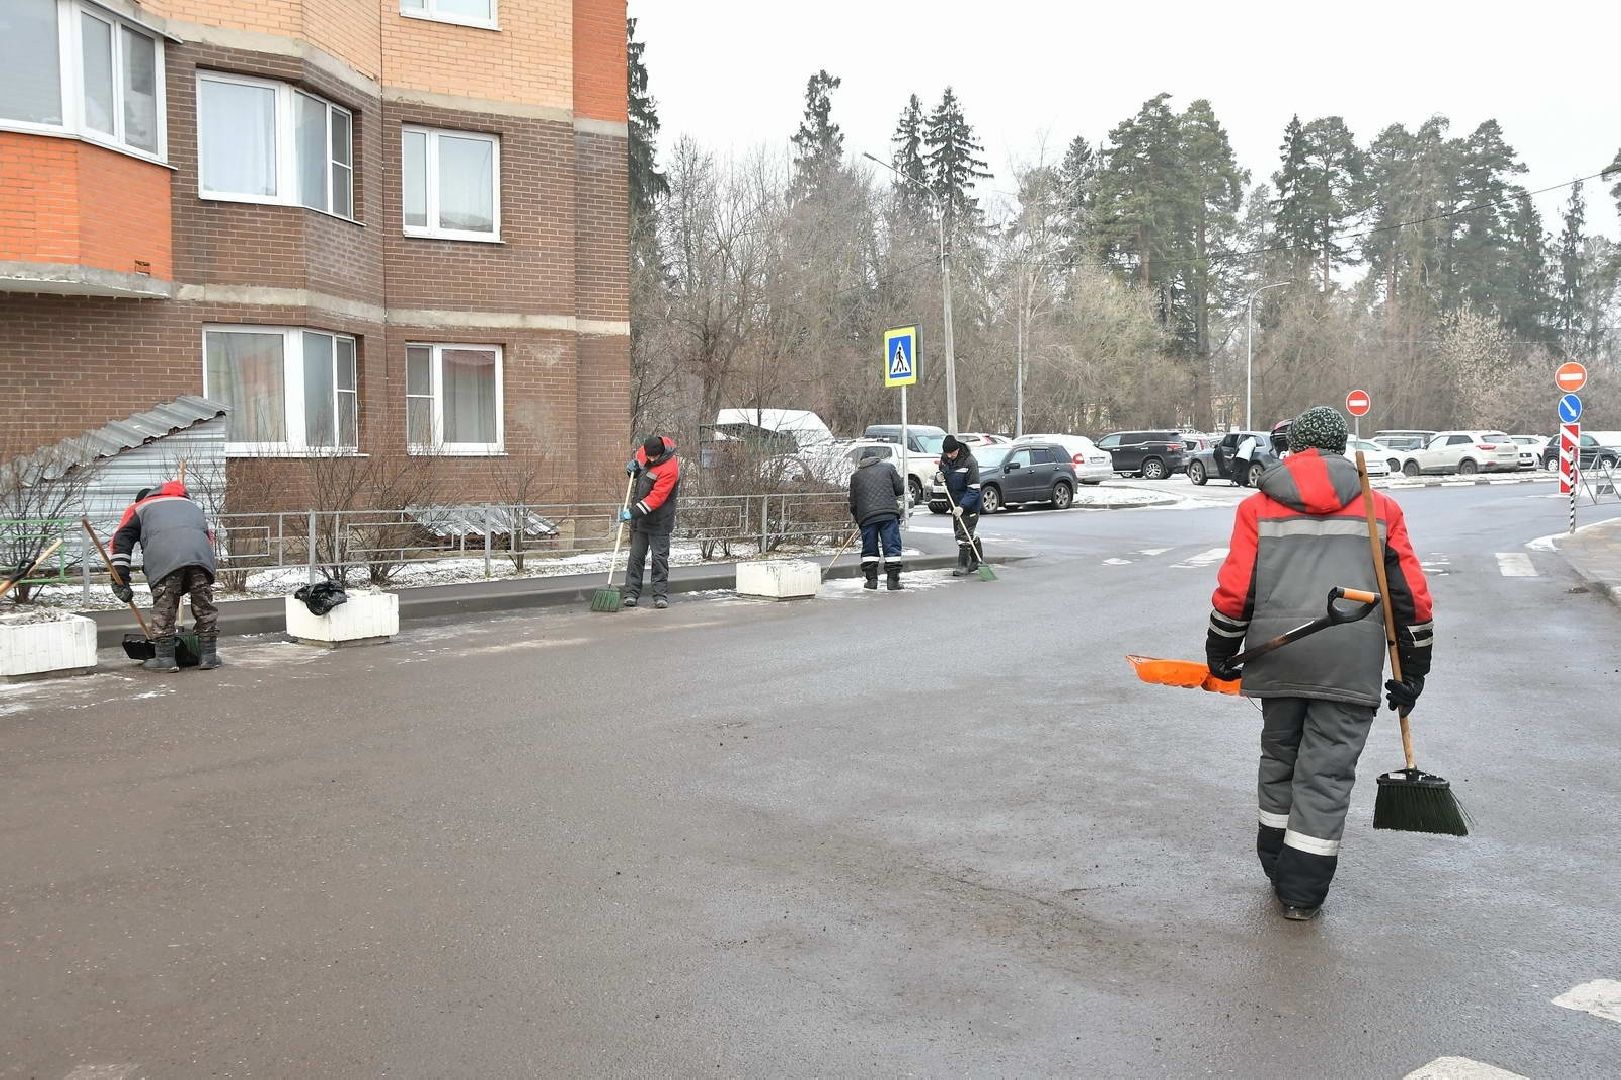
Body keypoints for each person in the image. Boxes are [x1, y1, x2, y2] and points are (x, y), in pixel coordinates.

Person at [1204, 406, 1433, 921]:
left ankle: (1274, 863)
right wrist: (1414, 669)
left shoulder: (1257, 508)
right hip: (1350, 663)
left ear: (1294, 448)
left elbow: (1236, 592)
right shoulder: (1381, 510)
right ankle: (1300, 895)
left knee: (1280, 758)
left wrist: (1220, 650)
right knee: (1325, 775)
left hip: (1278, 656)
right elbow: (1409, 599)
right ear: (1341, 446)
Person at [110, 481, 220, 672]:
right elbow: (207, 537)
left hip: (165, 557)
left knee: (165, 607)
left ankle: (165, 658)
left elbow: (121, 541)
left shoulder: (138, 508)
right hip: (201, 556)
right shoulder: (191, 505)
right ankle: (208, 655)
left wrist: (119, 579)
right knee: (204, 606)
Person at [621, 435, 681, 609]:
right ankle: (631, 593)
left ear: (661, 453)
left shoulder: (670, 469)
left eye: (653, 457)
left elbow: (656, 498)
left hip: (660, 520)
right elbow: (636, 472)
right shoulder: (644, 452)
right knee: (635, 557)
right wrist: (632, 469)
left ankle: (660, 595)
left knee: (659, 558)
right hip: (641, 519)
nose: (649, 459)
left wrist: (632, 513)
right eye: (647, 456)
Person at [848, 444, 906, 590]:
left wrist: (859, 520)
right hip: (888, 514)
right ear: (876, 459)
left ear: (861, 461)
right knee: (892, 547)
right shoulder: (888, 468)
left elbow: (853, 503)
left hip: (867, 517)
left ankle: (871, 581)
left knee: (869, 549)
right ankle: (893, 581)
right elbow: (899, 490)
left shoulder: (856, 476)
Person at [939, 435, 983, 577]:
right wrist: (939, 476)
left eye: (952, 453)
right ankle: (976, 561)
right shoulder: (945, 459)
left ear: (958, 449)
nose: (949, 456)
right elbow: (943, 472)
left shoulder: (970, 462)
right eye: (947, 453)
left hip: (969, 506)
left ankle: (963, 566)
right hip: (954, 504)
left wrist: (962, 506)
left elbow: (974, 490)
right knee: (963, 534)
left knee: (962, 536)